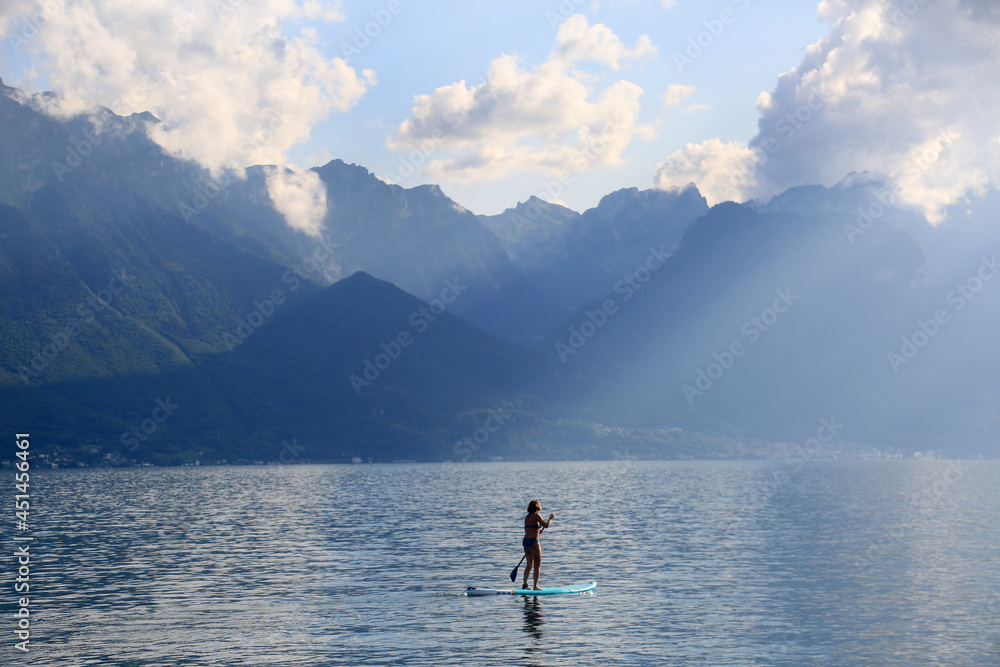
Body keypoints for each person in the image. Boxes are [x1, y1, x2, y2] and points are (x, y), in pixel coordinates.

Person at [522, 499, 555, 590]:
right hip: (534, 542)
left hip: (525, 541)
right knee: (537, 565)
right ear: (537, 507)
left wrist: (537, 531)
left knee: (529, 564)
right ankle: (535, 586)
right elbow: (546, 525)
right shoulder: (536, 516)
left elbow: (527, 530)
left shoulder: (527, 517)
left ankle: (525, 584)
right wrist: (550, 519)